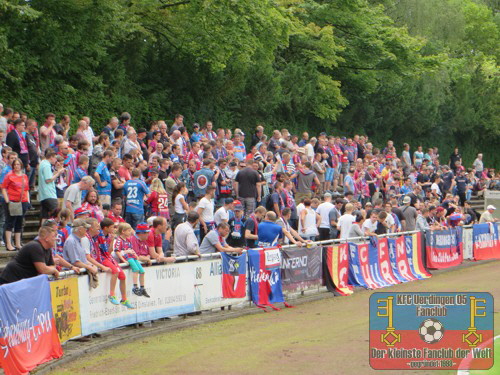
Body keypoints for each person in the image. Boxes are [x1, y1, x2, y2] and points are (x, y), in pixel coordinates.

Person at [114, 222, 149, 300]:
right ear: (123, 231)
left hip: (132, 257)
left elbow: (131, 249)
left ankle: (142, 288)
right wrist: (123, 260)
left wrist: (135, 255)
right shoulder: (119, 240)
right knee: (136, 269)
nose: (131, 232)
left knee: (142, 271)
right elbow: (117, 251)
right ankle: (135, 286)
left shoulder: (128, 240)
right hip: (127, 258)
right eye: (129, 230)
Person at [2, 158, 30, 251]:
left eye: (18, 164)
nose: (16, 166)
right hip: (12, 201)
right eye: (15, 165)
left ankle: (18, 243)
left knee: (19, 222)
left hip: (23, 201)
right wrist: (7, 200)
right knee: (10, 222)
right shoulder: (9, 176)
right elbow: (3, 187)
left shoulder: (24, 176)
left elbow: (26, 189)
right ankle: (9, 243)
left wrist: (27, 201)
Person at [38, 149, 65, 223]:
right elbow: (48, 180)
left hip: (43, 195)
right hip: (49, 194)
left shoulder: (42, 163)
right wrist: (59, 173)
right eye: (55, 158)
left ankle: (43, 231)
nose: (56, 160)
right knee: (56, 214)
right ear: (51, 157)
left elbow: (49, 176)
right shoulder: (46, 165)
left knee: (45, 216)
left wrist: (57, 169)